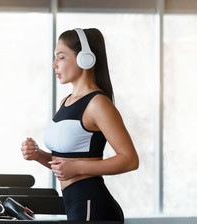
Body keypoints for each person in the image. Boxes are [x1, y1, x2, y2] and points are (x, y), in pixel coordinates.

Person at [21, 28, 139, 222]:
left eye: (61, 57)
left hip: (92, 203)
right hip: (76, 202)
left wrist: (77, 168)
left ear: (85, 59)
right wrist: (38, 155)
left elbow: (130, 160)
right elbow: (66, 163)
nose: (54, 65)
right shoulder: (66, 102)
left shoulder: (98, 103)